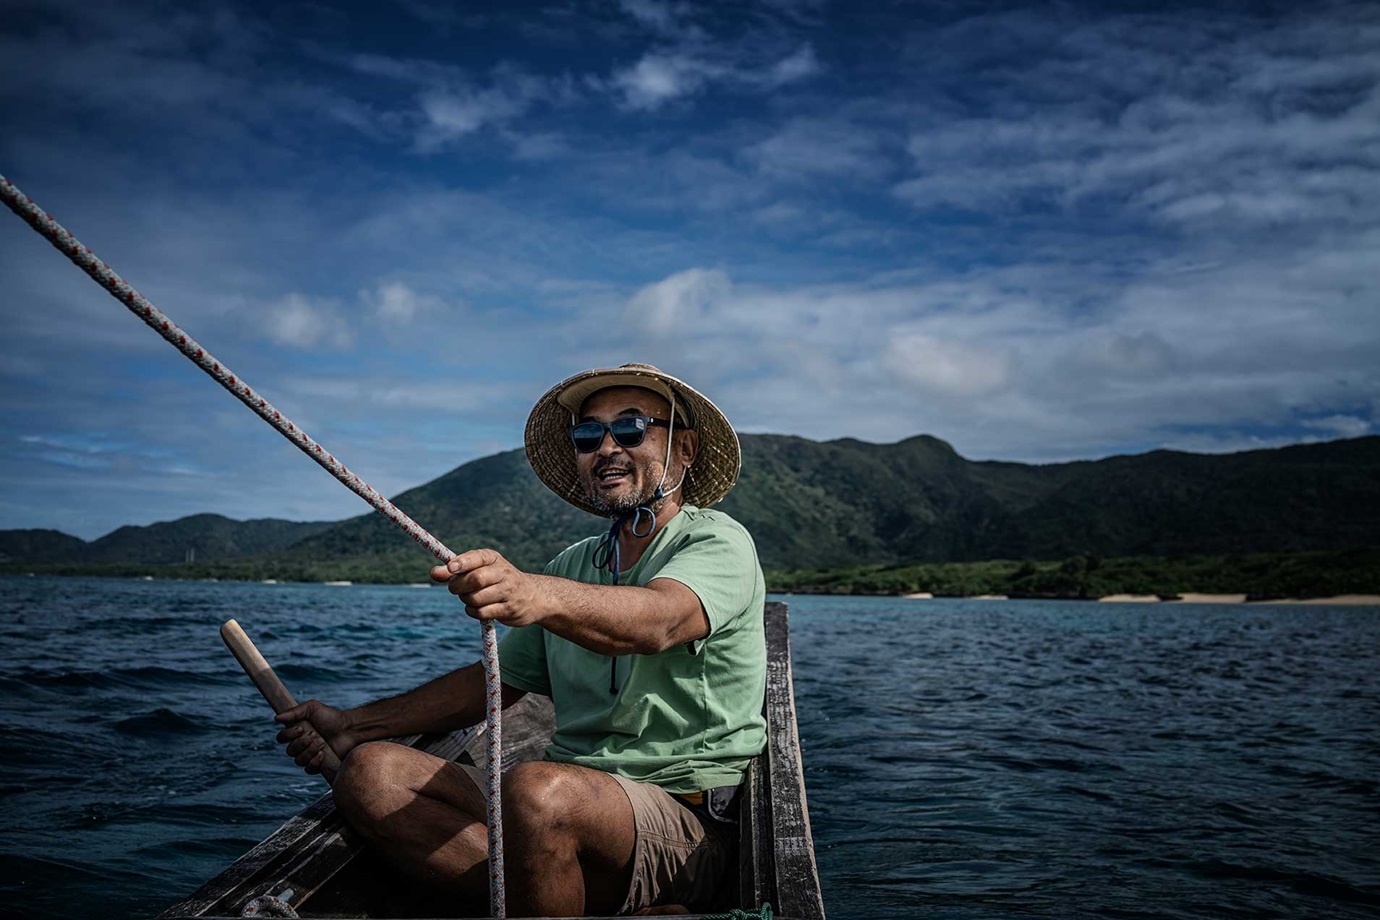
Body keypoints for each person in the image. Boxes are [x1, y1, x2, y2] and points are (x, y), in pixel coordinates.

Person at [276, 363, 767, 917]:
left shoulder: (718, 541)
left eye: (630, 429)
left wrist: (536, 594)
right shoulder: (575, 564)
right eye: (588, 434)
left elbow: (659, 620)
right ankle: (555, 897)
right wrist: (354, 725)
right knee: (370, 774)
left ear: (684, 450)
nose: (606, 446)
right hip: (564, 799)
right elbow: (497, 683)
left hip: (685, 822)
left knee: (538, 794)